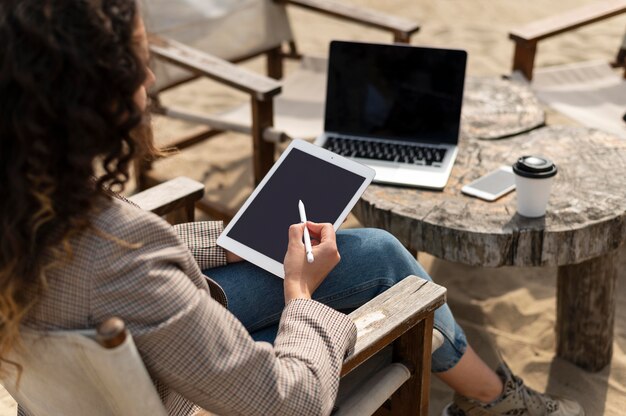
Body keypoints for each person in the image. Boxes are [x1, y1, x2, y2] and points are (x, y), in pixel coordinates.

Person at [0, 1, 584, 415]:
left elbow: (129, 264)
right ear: (88, 95)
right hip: (188, 391)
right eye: (136, 62)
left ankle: (489, 394)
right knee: (386, 268)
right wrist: (299, 292)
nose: (150, 78)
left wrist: (229, 240)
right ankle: (493, 399)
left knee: (375, 251)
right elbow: (287, 403)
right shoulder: (125, 258)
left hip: (129, 352)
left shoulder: (31, 203)